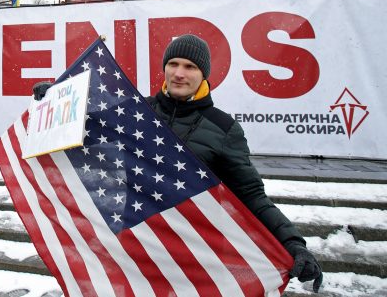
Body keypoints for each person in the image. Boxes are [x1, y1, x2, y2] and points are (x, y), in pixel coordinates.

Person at [33, 34, 323, 292]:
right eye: (173, 64)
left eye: (190, 67)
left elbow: (251, 196)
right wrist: (59, 99)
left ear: (204, 74)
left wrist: (293, 243)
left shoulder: (223, 128)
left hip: (194, 255)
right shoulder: (138, 110)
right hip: (137, 247)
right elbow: (89, 127)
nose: (179, 74)